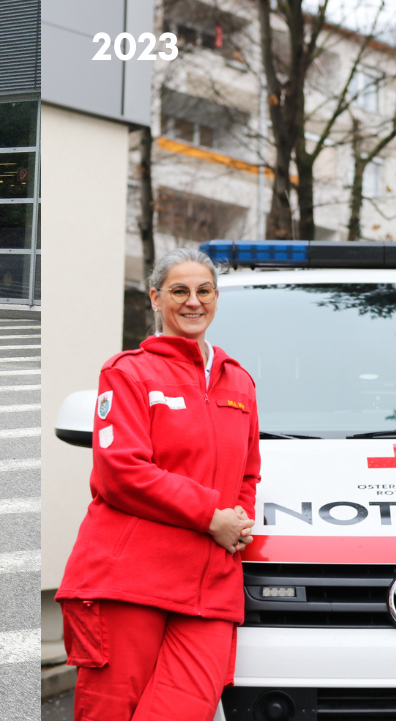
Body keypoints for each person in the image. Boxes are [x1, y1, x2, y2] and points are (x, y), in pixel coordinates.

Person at [57, 248, 260, 721]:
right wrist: (211, 516)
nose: (194, 302)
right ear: (155, 298)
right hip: (129, 580)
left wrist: (238, 521)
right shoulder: (128, 372)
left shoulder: (241, 383)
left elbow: (248, 475)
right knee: (111, 713)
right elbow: (121, 471)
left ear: (215, 298)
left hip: (210, 588)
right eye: (179, 291)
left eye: (204, 291)